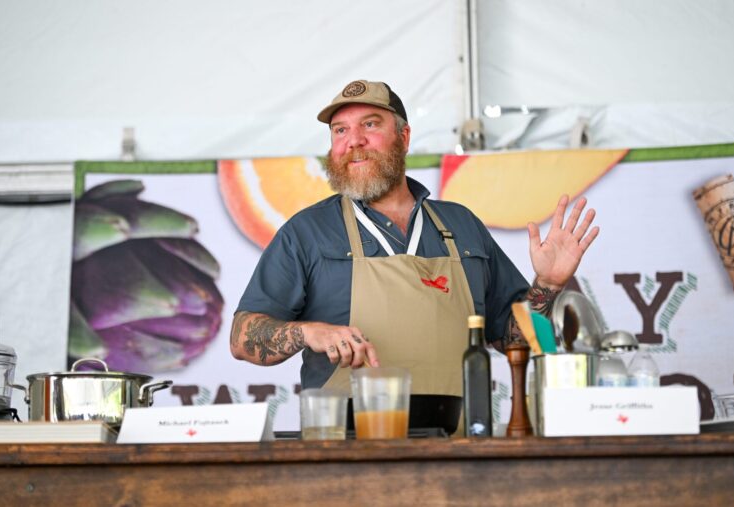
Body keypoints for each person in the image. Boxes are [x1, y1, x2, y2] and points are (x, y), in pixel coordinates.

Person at [230, 79, 598, 396]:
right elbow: (242, 339)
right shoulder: (306, 233)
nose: (353, 141)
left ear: (404, 137)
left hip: (457, 447)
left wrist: (548, 284)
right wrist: (307, 332)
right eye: (340, 130)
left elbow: (521, 341)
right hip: (346, 454)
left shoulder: (462, 225)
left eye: (370, 124)